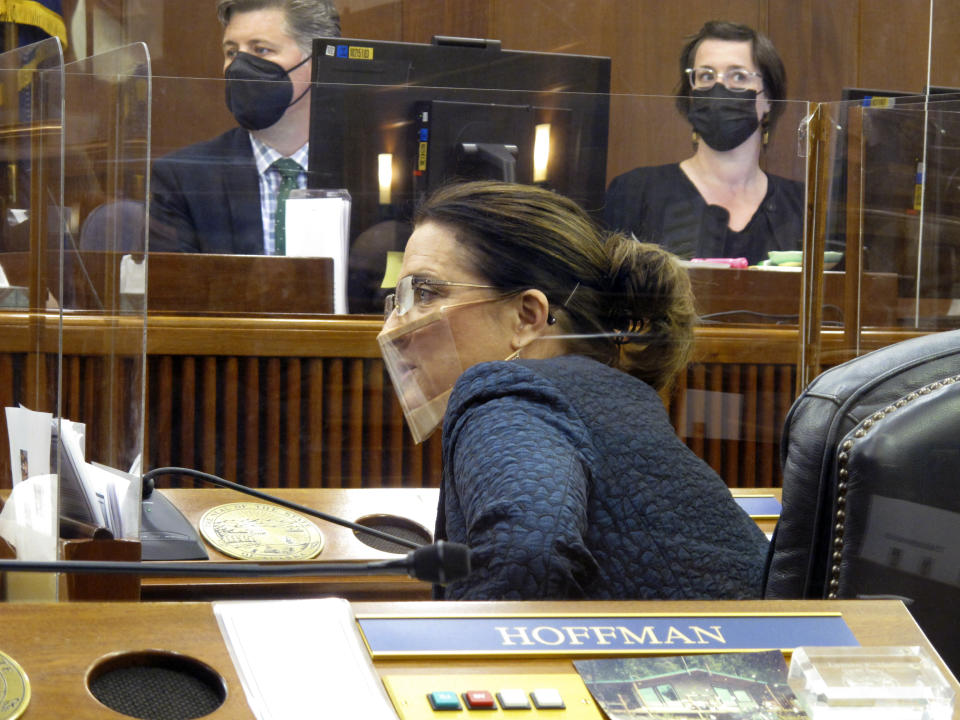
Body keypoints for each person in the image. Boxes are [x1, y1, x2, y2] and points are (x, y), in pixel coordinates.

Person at [378, 180, 769, 601]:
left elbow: (525, 552)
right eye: (397, 299)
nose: (394, 327)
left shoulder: (509, 393)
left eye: (425, 292)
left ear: (527, 317)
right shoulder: (604, 393)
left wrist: (460, 663)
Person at [604, 21, 803, 266]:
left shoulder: (801, 206)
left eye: (739, 76)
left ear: (769, 99)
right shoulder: (635, 192)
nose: (719, 89)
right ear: (690, 95)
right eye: (706, 76)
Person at [149, 0, 341, 254]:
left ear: (317, 61)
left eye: (261, 50)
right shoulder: (182, 179)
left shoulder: (370, 170)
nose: (238, 67)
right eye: (231, 52)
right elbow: (178, 290)